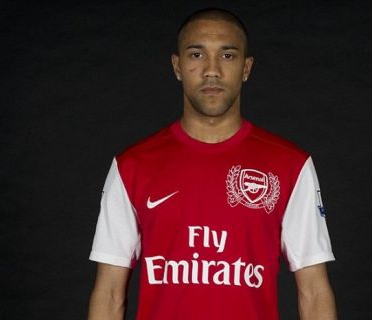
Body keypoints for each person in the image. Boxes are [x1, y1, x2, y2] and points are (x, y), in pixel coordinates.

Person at [87, 7, 337, 320]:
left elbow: (313, 292)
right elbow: (109, 293)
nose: (212, 70)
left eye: (228, 56)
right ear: (177, 66)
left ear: (246, 68)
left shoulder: (290, 165)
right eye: (196, 55)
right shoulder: (132, 166)